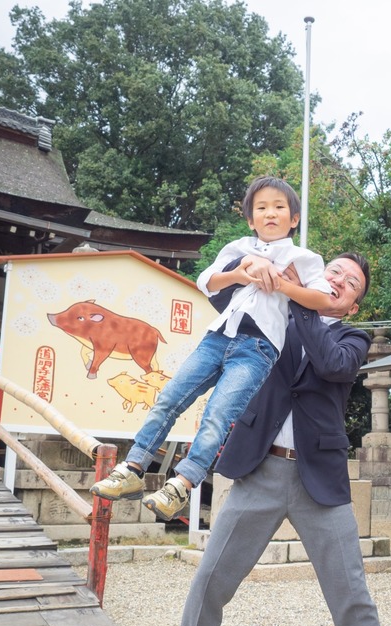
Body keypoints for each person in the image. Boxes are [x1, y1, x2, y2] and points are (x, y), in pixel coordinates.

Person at [141, 251, 391, 626]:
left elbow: (332, 366)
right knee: (209, 583)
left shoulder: (351, 338)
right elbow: (223, 296)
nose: (337, 279)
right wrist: (261, 274)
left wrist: (301, 298)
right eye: (332, 270)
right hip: (259, 468)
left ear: (354, 304)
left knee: (352, 596)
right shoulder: (273, 317)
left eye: (349, 281)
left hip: (320, 480)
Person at [90, 176, 333, 521]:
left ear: (294, 218)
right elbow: (206, 281)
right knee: (169, 397)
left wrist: (280, 282)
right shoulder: (239, 247)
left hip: (258, 348)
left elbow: (323, 300)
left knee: (217, 415)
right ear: (250, 219)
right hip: (217, 336)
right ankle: (132, 468)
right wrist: (242, 271)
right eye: (261, 208)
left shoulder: (304, 257)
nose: (270, 214)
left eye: (279, 207)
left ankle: (183, 484)